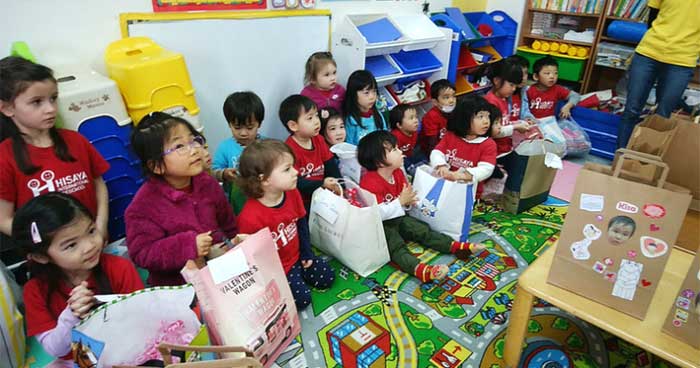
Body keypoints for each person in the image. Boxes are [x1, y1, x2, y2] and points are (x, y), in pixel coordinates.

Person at [17, 193, 143, 364]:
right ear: (40, 257)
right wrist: (72, 316)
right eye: (71, 245)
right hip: (73, 360)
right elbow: (55, 349)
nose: (90, 246)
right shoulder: (35, 290)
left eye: (91, 231)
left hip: (127, 348)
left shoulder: (120, 267)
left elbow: (141, 318)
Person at [0, 56, 110, 239]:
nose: (50, 108)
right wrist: (48, 245)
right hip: (51, 258)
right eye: (37, 102)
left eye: (53, 98)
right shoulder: (4, 158)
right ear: (7, 109)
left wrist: (100, 226)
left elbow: (99, 185)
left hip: (94, 242)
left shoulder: (76, 140)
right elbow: (4, 219)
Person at [125, 112, 239, 286]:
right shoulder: (142, 207)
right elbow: (142, 253)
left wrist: (233, 245)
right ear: (156, 165)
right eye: (179, 146)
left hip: (220, 273)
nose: (194, 150)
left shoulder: (207, 182)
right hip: (180, 288)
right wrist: (187, 246)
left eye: (193, 140)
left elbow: (227, 223)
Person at [358, 131, 485, 283]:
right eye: (394, 150)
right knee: (395, 245)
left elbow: (406, 198)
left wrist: (408, 202)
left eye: (398, 148)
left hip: (398, 217)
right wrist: (400, 202)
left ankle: (455, 247)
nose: (401, 152)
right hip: (380, 226)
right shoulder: (369, 182)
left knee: (421, 229)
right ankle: (419, 269)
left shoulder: (397, 173)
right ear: (379, 162)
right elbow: (374, 214)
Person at [236, 139, 335, 309]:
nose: (296, 172)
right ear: (264, 179)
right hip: (278, 270)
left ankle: (299, 275)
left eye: (293, 166)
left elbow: (301, 223)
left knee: (327, 277)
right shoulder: (250, 217)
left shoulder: (292, 193)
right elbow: (253, 261)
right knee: (302, 299)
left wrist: (307, 254)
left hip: (297, 257)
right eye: (287, 169)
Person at [616, 0, 700, 148]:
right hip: (649, 52)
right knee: (632, 109)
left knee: (662, 115)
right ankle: (620, 157)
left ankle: (644, 162)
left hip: (682, 60)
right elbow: (652, 17)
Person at [431, 96, 497, 199]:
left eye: (487, 116)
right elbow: (437, 152)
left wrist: (461, 176)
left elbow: (486, 169)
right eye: (480, 116)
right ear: (464, 118)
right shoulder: (451, 136)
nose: (486, 121)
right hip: (445, 186)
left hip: (468, 193)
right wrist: (441, 166)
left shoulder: (488, 144)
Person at [280, 95, 341, 206]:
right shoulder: (288, 150)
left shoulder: (319, 139)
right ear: (293, 126)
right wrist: (322, 184)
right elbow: (297, 183)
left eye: (316, 116)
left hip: (324, 194)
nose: (317, 122)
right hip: (304, 202)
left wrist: (340, 186)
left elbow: (330, 165)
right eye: (310, 118)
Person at [212, 91, 265, 213]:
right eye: (237, 128)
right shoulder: (225, 147)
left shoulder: (266, 145)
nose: (243, 133)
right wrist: (224, 173)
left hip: (263, 198)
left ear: (259, 124)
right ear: (229, 124)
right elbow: (212, 172)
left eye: (250, 127)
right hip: (237, 203)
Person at [481, 59, 532, 157]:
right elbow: (494, 132)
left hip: (505, 148)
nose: (513, 89)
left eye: (515, 86)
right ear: (497, 81)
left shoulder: (503, 99)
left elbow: (504, 123)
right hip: (495, 153)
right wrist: (516, 127)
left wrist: (519, 124)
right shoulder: (491, 102)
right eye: (511, 85)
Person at [343, 70, 387, 145]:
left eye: (374, 91)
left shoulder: (378, 115)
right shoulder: (351, 121)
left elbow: (386, 136)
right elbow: (349, 146)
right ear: (353, 95)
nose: (372, 97)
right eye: (366, 93)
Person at [419, 79, 456, 155]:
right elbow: (431, 143)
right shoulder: (431, 117)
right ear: (435, 102)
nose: (452, 100)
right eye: (446, 97)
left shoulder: (455, 111)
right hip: (431, 149)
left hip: (448, 146)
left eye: (453, 96)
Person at [389, 104, 423, 173]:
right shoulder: (394, 137)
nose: (416, 120)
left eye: (416, 117)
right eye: (411, 118)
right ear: (399, 125)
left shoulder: (414, 131)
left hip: (410, 154)